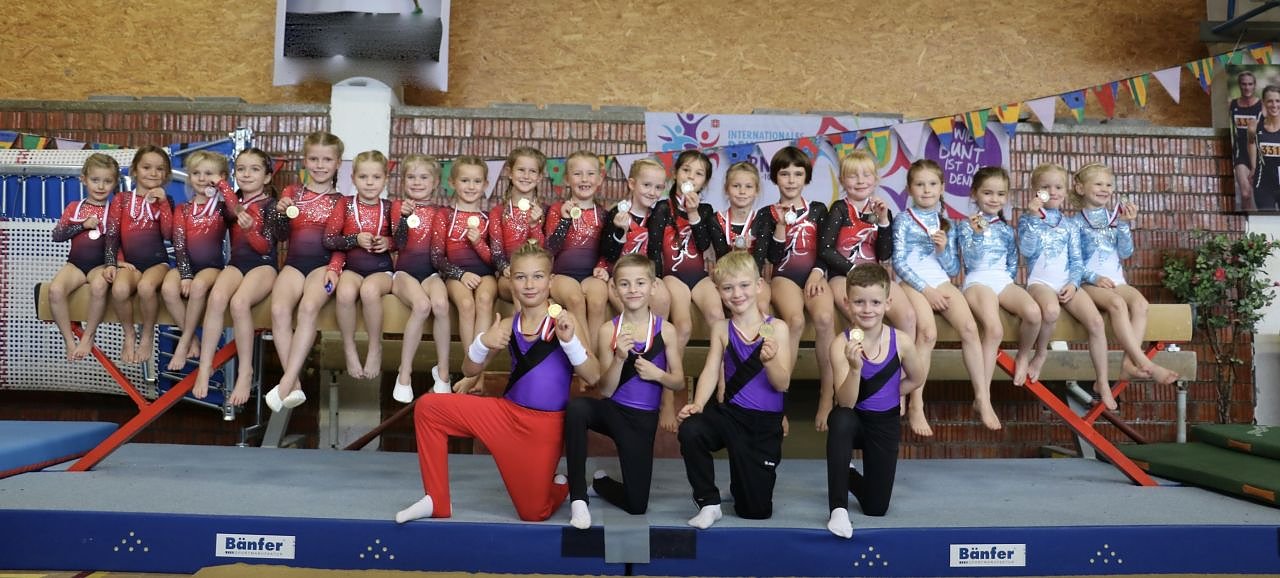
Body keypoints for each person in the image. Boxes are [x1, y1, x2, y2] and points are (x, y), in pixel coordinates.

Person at [396, 241, 602, 523]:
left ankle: (560, 485)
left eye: (537, 277)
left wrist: (569, 343)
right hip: (505, 417)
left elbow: (593, 375)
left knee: (533, 513)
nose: (529, 285)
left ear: (550, 281)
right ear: (511, 281)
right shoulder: (506, 325)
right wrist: (484, 342)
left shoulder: (566, 322)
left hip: (545, 427)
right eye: (521, 277)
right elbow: (469, 369)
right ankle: (436, 499)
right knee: (429, 408)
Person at [564, 254, 684, 529]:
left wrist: (658, 375)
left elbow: (678, 382)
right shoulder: (609, 330)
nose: (633, 290)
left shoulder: (666, 330)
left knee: (637, 505)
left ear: (653, 286)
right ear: (615, 289)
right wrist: (618, 358)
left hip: (642, 420)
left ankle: (601, 483)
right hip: (613, 411)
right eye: (625, 284)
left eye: (640, 283)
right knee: (577, 408)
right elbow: (605, 390)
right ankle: (578, 496)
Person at [676, 250, 791, 529]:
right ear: (718, 292)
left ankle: (741, 485)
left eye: (744, 285)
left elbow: (782, 383)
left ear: (759, 285)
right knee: (691, 429)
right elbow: (710, 370)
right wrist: (698, 404)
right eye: (727, 288)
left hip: (763, 424)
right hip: (730, 414)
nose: (737, 294)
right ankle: (709, 502)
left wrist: (770, 361)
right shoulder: (721, 328)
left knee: (754, 512)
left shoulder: (778, 328)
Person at [891, 159, 995, 430]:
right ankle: (917, 403)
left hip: (940, 280)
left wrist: (942, 249)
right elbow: (898, 262)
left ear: (942, 188)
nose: (927, 190)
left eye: (932, 184)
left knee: (970, 328)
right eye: (920, 184)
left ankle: (982, 397)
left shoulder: (946, 223)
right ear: (910, 189)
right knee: (927, 334)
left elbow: (952, 269)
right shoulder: (903, 220)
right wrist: (927, 291)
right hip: (912, 282)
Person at [824, 264, 924, 539]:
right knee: (840, 419)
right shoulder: (840, 345)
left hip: (884, 423)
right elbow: (846, 402)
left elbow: (917, 378)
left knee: (876, 508)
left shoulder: (901, 341)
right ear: (847, 303)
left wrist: (893, 392)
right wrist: (855, 369)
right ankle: (838, 509)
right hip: (854, 419)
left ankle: (846, 471)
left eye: (875, 302)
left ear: (887, 303)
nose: (867, 309)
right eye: (859, 302)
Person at [1071, 163, 1180, 402]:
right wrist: (1093, 277)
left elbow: (1125, 252)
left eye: (1109, 185)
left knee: (1141, 304)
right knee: (1118, 304)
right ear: (1080, 188)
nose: (1104, 189)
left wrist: (1123, 224)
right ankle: (1144, 362)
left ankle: (1128, 364)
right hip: (1089, 283)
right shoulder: (1074, 223)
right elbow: (1073, 261)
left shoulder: (1114, 218)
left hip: (1117, 280)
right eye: (1098, 184)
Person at [1019, 163, 1113, 407]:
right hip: (1040, 282)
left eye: (1058, 187)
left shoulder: (1069, 224)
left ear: (1065, 190)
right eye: (1045, 187)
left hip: (1065, 282)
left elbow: (1076, 261)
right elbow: (1026, 250)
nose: (1053, 192)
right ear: (1034, 190)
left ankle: (1102, 380)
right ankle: (1039, 354)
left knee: (1096, 322)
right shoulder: (1027, 219)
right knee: (1050, 311)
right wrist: (1032, 218)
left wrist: (1073, 284)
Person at [265, 131, 344, 410]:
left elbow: (341, 243)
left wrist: (334, 268)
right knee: (278, 310)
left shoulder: (342, 201)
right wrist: (279, 213)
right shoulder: (292, 193)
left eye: (327, 160)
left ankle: (285, 382)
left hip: (323, 265)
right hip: (295, 263)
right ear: (305, 161)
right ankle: (295, 384)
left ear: (338, 163)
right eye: (314, 159)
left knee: (309, 308)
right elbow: (281, 236)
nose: (320, 165)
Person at [193, 148, 278, 404]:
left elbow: (265, 248)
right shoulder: (232, 205)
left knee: (239, 303)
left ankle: (245, 371)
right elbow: (234, 208)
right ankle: (205, 366)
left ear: (267, 177)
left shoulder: (271, 206)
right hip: (237, 264)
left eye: (254, 169)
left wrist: (251, 230)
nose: (247, 174)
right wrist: (222, 185)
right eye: (241, 169)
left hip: (263, 266)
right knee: (217, 298)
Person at [762, 146, 837, 431]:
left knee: (825, 319)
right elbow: (772, 257)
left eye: (797, 174)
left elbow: (827, 249)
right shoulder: (767, 213)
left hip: (814, 275)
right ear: (775, 177)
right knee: (794, 321)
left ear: (806, 177)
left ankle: (827, 397)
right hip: (784, 276)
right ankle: (780, 400)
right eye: (785, 174)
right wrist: (780, 227)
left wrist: (818, 273)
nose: (791, 180)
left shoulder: (818, 210)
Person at [955, 167, 1042, 388]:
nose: (994, 199)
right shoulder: (965, 225)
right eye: (988, 193)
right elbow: (970, 260)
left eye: (1000, 194)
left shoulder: (1006, 229)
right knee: (994, 331)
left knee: (1033, 313)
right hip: (977, 281)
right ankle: (983, 394)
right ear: (974, 194)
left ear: (1007, 196)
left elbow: (1012, 263)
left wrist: (1006, 295)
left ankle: (1023, 356)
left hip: (1002, 281)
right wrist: (977, 235)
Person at [325, 150, 395, 381]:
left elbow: (402, 242)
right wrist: (354, 239)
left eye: (376, 177)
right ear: (353, 178)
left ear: (385, 179)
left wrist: (388, 242)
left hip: (381, 269)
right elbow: (329, 239)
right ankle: (349, 347)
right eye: (363, 177)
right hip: (352, 268)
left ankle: (375, 347)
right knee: (345, 293)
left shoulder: (390, 207)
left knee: (369, 291)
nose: (370, 182)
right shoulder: (344, 204)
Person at [432, 155, 498, 394]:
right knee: (467, 304)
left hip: (485, 274)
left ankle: (476, 373)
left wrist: (479, 242)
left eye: (477, 181)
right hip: (455, 275)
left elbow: (494, 259)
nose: (471, 186)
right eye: (465, 180)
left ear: (486, 185)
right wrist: (460, 274)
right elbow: (437, 257)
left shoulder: (488, 219)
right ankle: (472, 368)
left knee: (484, 299)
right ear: (452, 182)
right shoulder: (445, 216)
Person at [388, 153, 452, 401]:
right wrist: (404, 218)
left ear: (435, 182)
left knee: (441, 305)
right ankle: (404, 371)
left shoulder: (441, 212)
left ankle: (443, 371)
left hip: (431, 273)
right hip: (404, 273)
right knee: (423, 305)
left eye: (424, 177)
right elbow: (398, 243)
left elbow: (443, 250)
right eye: (411, 177)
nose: (417, 182)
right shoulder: (398, 207)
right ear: (403, 181)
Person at [102, 145, 174, 365]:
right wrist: (113, 262)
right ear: (134, 170)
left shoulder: (167, 201)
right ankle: (129, 333)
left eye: (160, 169)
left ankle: (148, 334)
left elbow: (168, 234)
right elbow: (112, 233)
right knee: (120, 290)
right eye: (146, 167)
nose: (153, 173)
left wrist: (163, 204)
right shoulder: (122, 199)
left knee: (146, 287)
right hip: (130, 264)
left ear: (166, 174)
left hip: (157, 263)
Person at [161, 150, 231, 373]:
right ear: (189, 176)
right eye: (196, 173)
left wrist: (223, 187)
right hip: (186, 265)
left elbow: (237, 210)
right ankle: (192, 340)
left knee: (199, 286)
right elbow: (179, 243)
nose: (201, 178)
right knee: (168, 289)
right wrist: (185, 274)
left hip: (212, 267)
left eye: (208, 174)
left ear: (221, 177)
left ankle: (183, 343)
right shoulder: (183, 209)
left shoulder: (222, 208)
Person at [49, 153, 118, 360]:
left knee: (99, 287)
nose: (101, 186)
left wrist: (117, 263)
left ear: (115, 183)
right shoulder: (74, 207)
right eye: (95, 180)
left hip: (100, 266)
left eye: (107, 181)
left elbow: (119, 241)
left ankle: (88, 336)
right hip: (75, 265)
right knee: (55, 290)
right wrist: (82, 225)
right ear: (84, 179)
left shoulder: (115, 211)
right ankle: (69, 341)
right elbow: (57, 235)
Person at [545, 151, 610, 351]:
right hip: (561, 276)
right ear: (567, 179)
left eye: (590, 174)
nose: (584, 179)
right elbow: (550, 248)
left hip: (591, 276)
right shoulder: (556, 210)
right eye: (577, 174)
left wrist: (602, 267)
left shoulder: (603, 214)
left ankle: (595, 358)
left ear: (599, 179)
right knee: (575, 300)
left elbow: (607, 250)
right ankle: (585, 358)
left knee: (598, 300)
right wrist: (565, 220)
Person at [708, 161, 771, 315]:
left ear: (756, 190)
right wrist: (736, 252)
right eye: (736, 186)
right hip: (727, 279)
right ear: (726, 189)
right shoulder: (716, 220)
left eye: (748, 186)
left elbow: (759, 260)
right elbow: (721, 258)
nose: (742, 191)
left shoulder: (762, 220)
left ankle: (764, 332)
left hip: (754, 278)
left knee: (761, 307)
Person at [489, 147, 548, 304]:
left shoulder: (545, 211)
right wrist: (504, 267)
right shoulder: (498, 212)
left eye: (532, 171)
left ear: (539, 177)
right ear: (510, 172)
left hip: (536, 274)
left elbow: (544, 251)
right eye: (521, 170)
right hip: (508, 274)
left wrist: (534, 226)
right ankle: (520, 321)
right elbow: (496, 251)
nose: (526, 176)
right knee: (518, 286)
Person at [1231, 71, 1261, 210]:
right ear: (1239, 85)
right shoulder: (1232, 105)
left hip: (1260, 154)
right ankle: (1246, 221)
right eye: (1244, 84)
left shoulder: (1262, 106)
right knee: (1245, 194)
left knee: (1263, 196)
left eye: (1250, 84)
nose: (1247, 87)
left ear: (1254, 85)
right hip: (1241, 153)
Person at [1251, 85, 1280, 211]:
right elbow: (1251, 142)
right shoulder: (1254, 127)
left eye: (1278, 101)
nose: (1274, 105)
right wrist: (1253, 167)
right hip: (1263, 185)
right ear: (1263, 102)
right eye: (1270, 101)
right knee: (1266, 219)